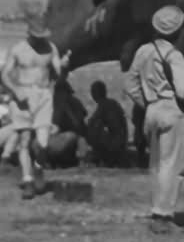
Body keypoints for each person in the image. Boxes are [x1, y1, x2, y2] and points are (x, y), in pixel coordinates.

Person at [124, 6, 184, 231]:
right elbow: (183, 91)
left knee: (157, 165)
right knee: (172, 165)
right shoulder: (175, 56)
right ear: (178, 31)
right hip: (171, 111)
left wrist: (147, 103)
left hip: (152, 111)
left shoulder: (143, 51)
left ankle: (157, 208)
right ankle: (163, 215)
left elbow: (130, 84)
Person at [3, 21, 69, 198]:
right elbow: (5, 74)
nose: (41, 40)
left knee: (43, 143)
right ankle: (28, 180)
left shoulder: (51, 48)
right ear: (30, 35)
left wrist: (63, 66)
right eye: (38, 37)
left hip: (43, 96)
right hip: (22, 96)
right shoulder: (17, 49)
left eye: (43, 37)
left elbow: (57, 75)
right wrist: (16, 91)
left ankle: (38, 167)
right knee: (24, 140)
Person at [83, 81, 130, 168]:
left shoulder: (104, 105)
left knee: (93, 129)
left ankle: (101, 156)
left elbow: (92, 123)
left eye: (93, 92)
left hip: (116, 144)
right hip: (121, 141)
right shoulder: (111, 103)